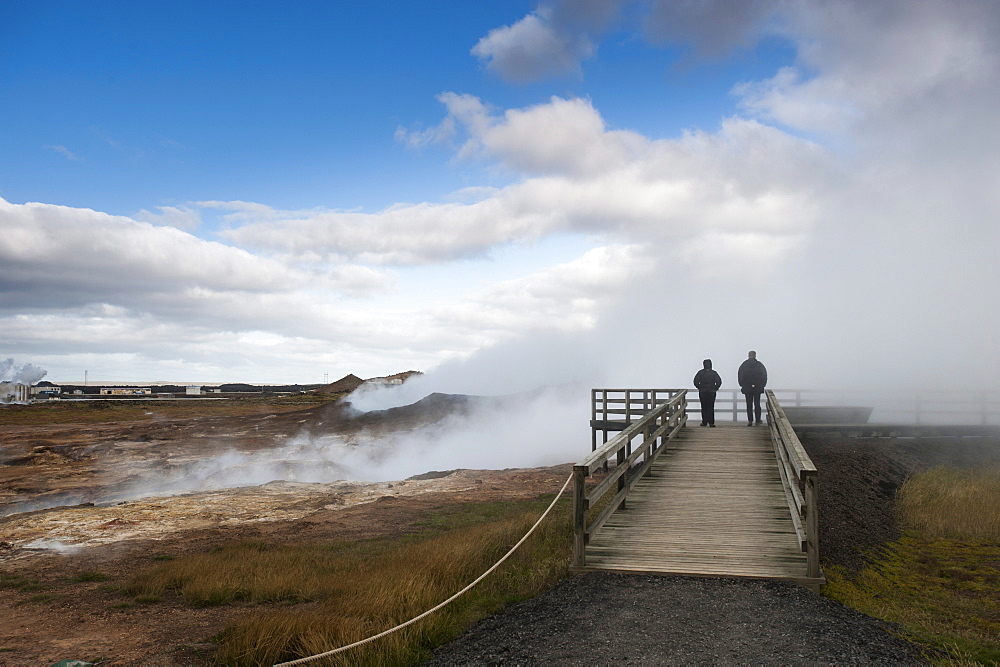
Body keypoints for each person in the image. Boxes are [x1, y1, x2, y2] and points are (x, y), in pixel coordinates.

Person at [738, 350, 767, 426]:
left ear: (748, 355)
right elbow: (764, 375)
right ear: (755, 355)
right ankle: (757, 420)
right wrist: (762, 385)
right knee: (757, 404)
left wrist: (742, 385)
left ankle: (750, 420)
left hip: (747, 388)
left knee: (749, 404)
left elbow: (740, 375)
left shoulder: (744, 365)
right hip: (757, 387)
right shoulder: (759, 365)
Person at [693, 359, 722, 427]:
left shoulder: (700, 373)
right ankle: (711, 422)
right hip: (711, 391)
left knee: (704, 406)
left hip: (703, 391)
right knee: (711, 406)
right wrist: (715, 388)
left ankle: (704, 422)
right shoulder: (714, 373)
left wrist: (700, 387)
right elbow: (719, 381)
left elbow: (695, 381)